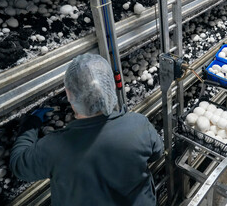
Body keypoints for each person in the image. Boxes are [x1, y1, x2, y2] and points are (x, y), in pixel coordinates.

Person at [10, 53, 164, 206]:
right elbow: (157, 152)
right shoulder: (138, 124)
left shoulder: (54, 147)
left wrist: (31, 123)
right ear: (109, 86)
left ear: (69, 94)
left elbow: (18, 164)